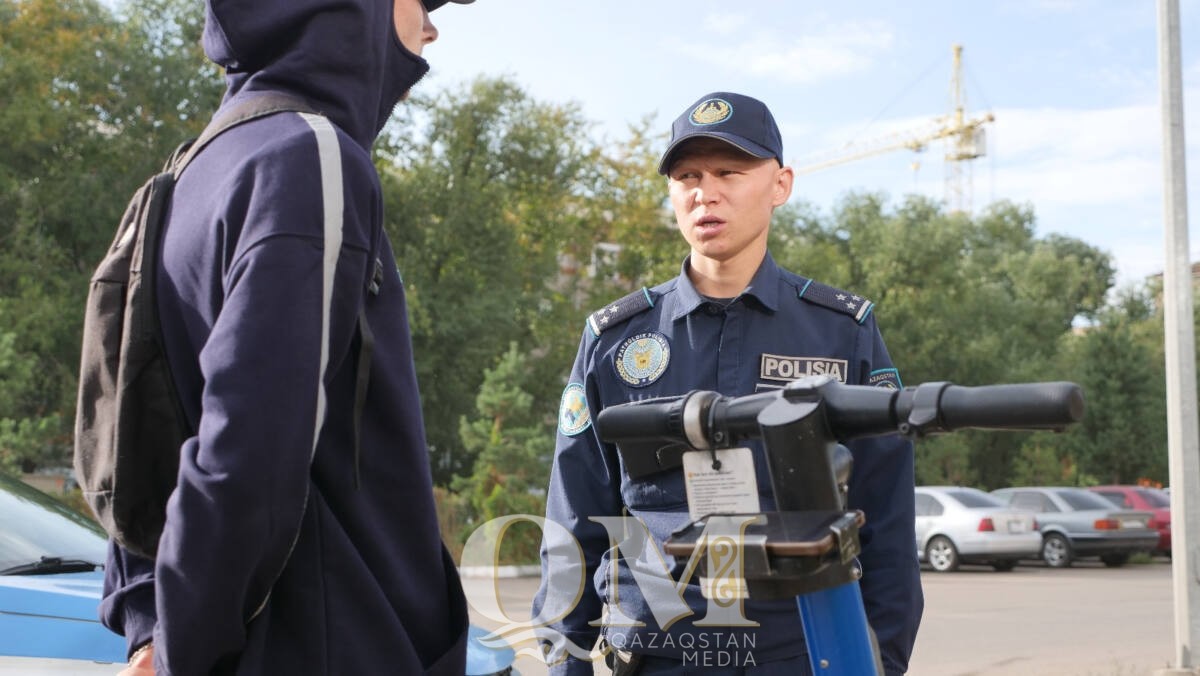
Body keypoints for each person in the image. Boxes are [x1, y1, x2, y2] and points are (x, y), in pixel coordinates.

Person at [100, 0, 475, 674]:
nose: (431, 29)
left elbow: (134, 439)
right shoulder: (311, 156)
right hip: (322, 646)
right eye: (421, 0)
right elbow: (250, 451)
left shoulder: (190, 170)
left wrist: (152, 624)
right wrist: (187, 646)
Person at [534, 92, 923, 675]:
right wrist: (566, 659)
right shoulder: (615, 339)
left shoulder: (842, 333)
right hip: (658, 654)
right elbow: (574, 511)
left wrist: (880, 662)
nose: (704, 192)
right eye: (687, 175)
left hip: (802, 653)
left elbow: (886, 517)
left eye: (729, 172)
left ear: (780, 185)